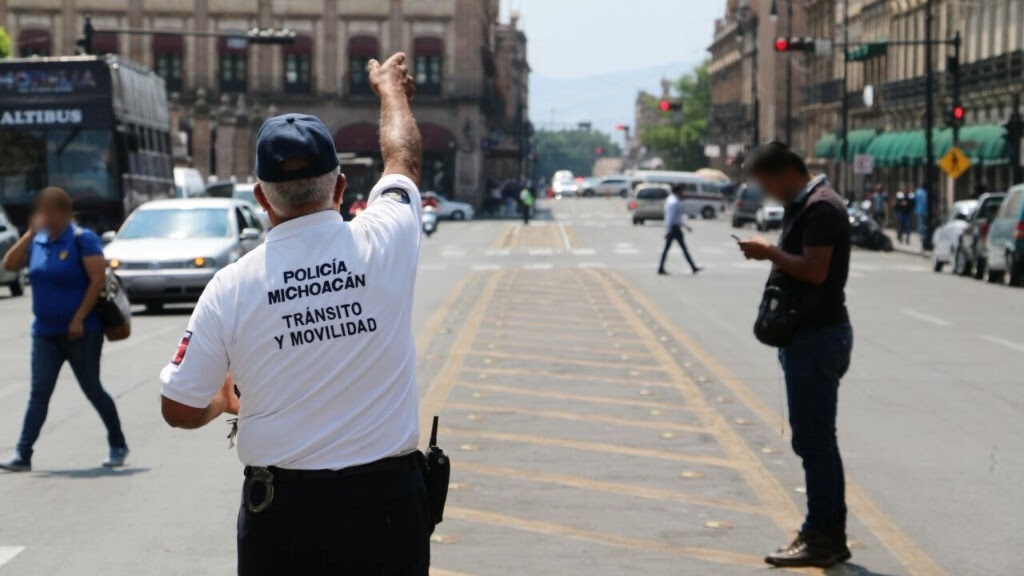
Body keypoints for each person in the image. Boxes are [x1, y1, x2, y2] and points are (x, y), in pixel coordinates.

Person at [159, 53, 430, 575]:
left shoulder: (230, 286)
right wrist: (390, 89)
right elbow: (403, 160)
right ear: (342, 187)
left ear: (261, 198)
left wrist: (221, 402)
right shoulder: (387, 238)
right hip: (388, 509)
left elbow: (178, 407)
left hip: (284, 515)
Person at [737, 142, 853, 568]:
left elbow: (815, 270)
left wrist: (768, 252)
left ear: (786, 172)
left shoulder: (821, 208)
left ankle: (824, 537)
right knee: (813, 439)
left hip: (818, 337)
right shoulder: (807, 205)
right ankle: (824, 532)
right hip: (809, 336)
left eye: (766, 183)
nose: (767, 193)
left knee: (815, 441)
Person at [0, 188, 129, 472]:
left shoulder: (83, 240)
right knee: (39, 392)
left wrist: (79, 318)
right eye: (40, 211)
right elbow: (9, 264)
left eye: (49, 211)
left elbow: (97, 282)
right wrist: (29, 234)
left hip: (81, 332)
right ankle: (22, 454)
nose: (44, 216)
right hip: (44, 332)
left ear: (62, 212)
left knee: (92, 389)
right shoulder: (38, 240)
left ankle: (118, 443)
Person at [658, 185, 702, 275]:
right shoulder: (675, 202)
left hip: (674, 227)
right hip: (674, 228)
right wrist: (668, 230)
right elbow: (671, 217)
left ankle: (661, 267)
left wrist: (685, 226)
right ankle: (693, 267)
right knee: (682, 249)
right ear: (678, 191)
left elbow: (675, 217)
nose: (683, 193)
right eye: (682, 191)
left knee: (669, 249)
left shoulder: (670, 200)